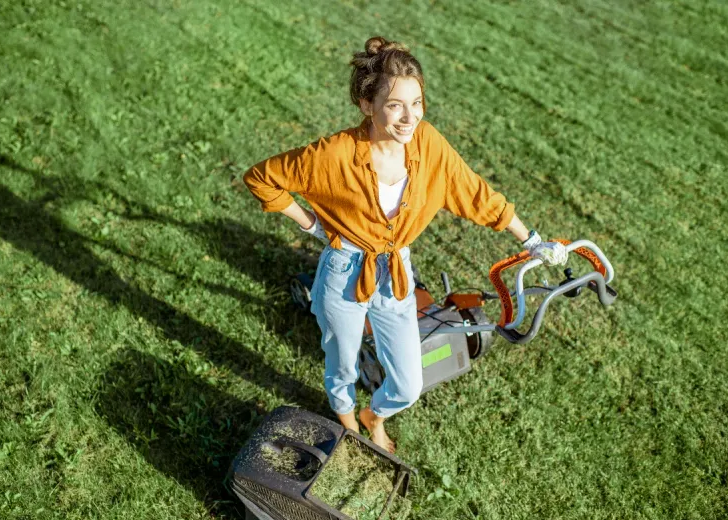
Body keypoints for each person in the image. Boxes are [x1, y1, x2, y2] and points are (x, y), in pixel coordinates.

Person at [243, 36, 567, 452]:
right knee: (341, 364)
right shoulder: (335, 153)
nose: (408, 116)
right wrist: (312, 225)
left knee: (408, 384)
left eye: (416, 103)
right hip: (344, 270)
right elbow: (261, 178)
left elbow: (475, 192)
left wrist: (533, 240)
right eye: (395, 104)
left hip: (396, 274)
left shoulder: (427, 144)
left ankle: (373, 414)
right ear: (367, 106)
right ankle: (350, 427)